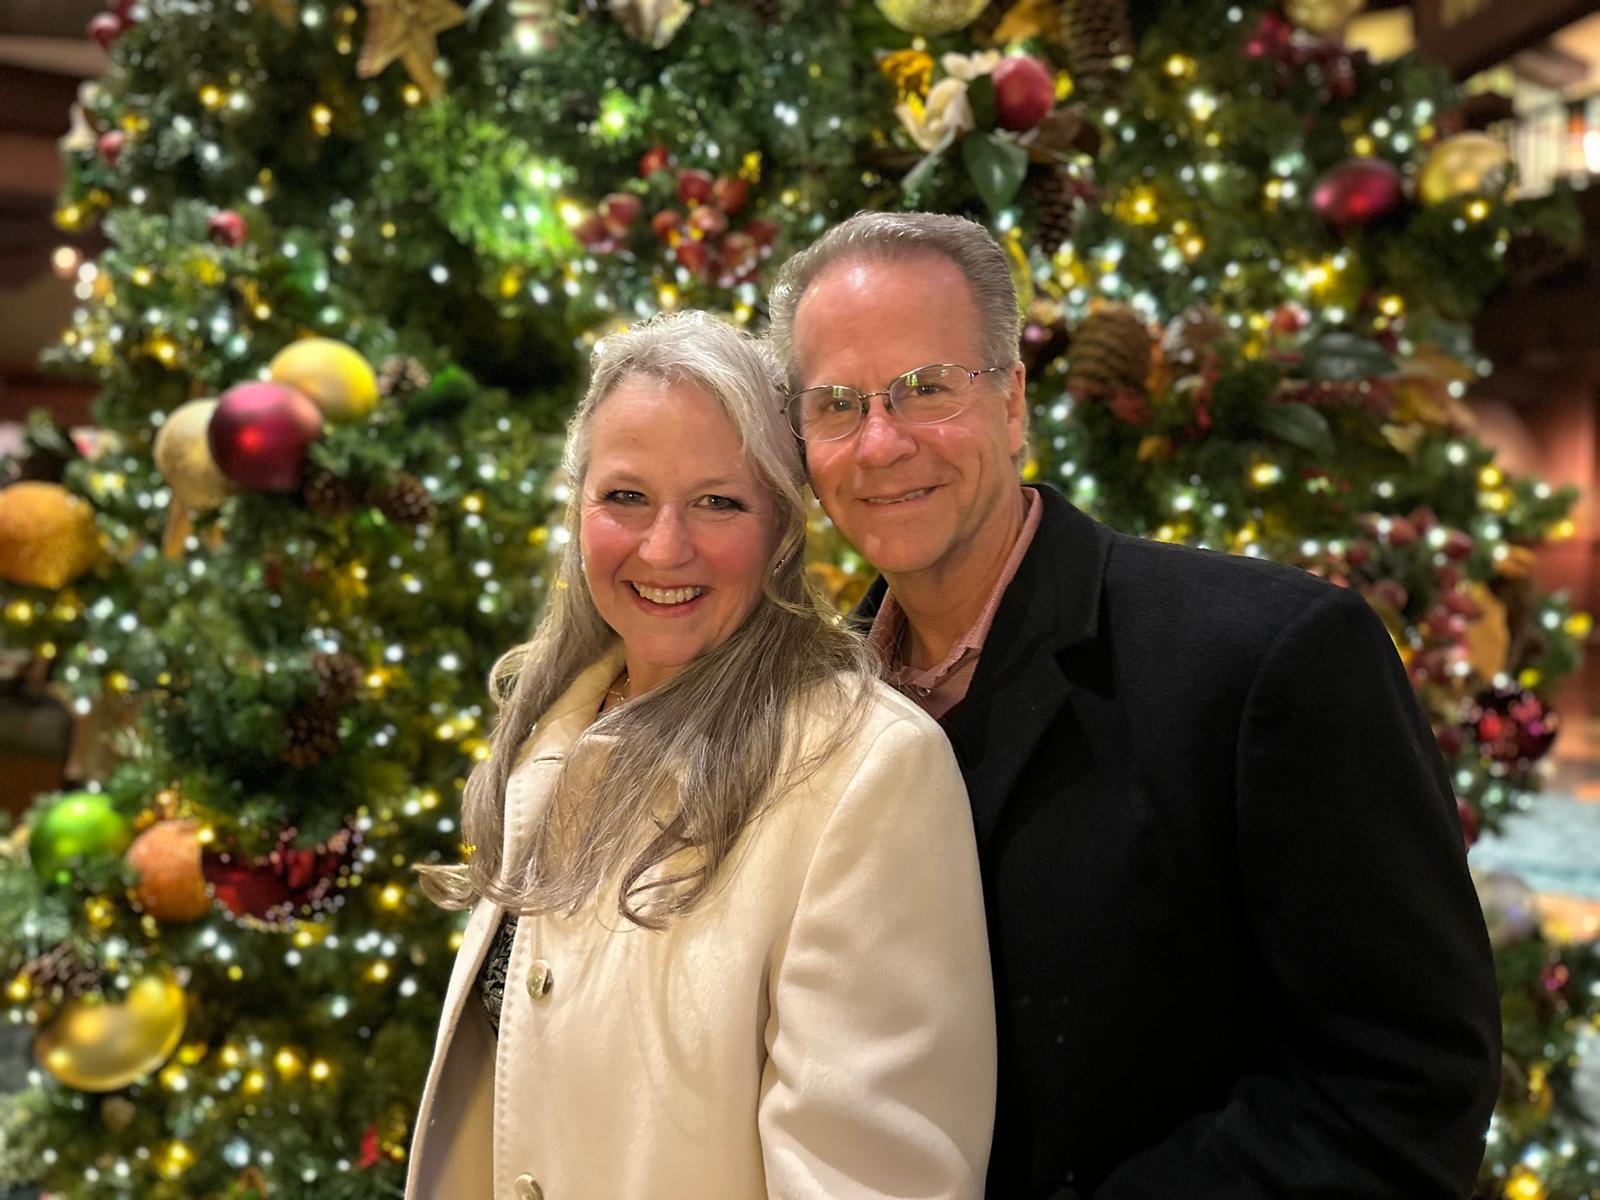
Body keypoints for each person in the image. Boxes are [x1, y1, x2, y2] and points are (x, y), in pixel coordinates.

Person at [768, 211, 1501, 1200]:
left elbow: (1403, 1091)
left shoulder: (1266, 660)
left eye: (926, 389)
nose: (881, 442)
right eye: (837, 404)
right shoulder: (806, 719)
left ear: (1014, 402)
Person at [405, 311, 995, 1200]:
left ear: (782, 528)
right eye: (625, 497)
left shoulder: (865, 769)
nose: (664, 547)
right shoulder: (556, 732)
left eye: (718, 502)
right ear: (579, 510)